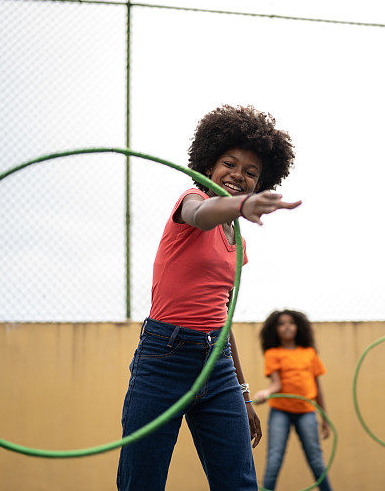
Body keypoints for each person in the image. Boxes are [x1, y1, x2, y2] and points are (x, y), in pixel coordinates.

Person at [116, 105, 301, 491]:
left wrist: (243, 392)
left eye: (251, 173)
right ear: (208, 165)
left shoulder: (238, 243)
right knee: (141, 483)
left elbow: (223, 317)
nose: (238, 176)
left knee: (239, 483)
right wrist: (240, 205)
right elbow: (201, 213)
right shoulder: (191, 200)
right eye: (229, 164)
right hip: (163, 360)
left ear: (261, 181)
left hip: (217, 367)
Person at [253, 309, 332, 491]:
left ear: (298, 326)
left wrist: (324, 418)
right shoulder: (273, 354)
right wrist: (265, 393)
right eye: (281, 323)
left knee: (316, 461)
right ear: (275, 329)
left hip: (307, 412)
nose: (287, 327)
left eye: (291, 322)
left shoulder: (309, 353)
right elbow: (276, 384)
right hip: (280, 411)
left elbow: (317, 388)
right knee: (274, 459)